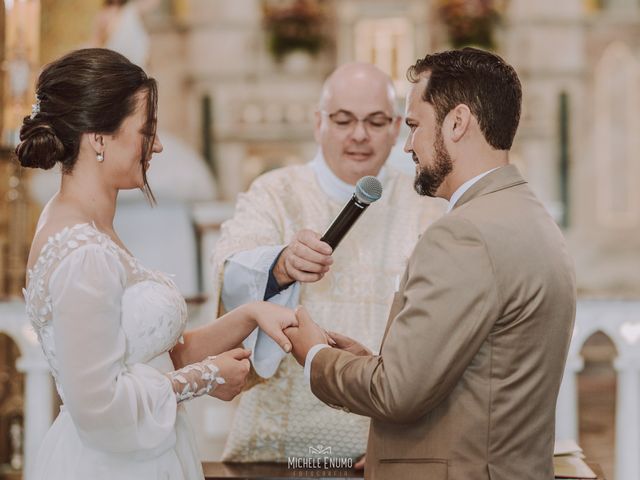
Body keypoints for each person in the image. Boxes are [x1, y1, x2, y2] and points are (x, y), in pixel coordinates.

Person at [284, 48, 577, 480]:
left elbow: (396, 394)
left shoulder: (464, 234)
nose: (408, 145)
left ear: (457, 123)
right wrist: (370, 359)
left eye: (415, 126)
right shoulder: (528, 215)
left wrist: (316, 356)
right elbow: (481, 372)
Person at [19, 48, 296, 480]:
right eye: (146, 130)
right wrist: (205, 378)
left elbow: (156, 355)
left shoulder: (90, 226)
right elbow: (98, 407)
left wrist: (250, 314)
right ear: (98, 138)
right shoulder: (81, 252)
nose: (159, 145)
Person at [212, 62, 445, 463]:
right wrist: (281, 265)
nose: (359, 135)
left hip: (382, 441)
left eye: (375, 122)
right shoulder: (275, 191)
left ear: (396, 128)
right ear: (319, 123)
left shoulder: (426, 204)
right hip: (278, 445)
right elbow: (230, 272)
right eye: (343, 120)